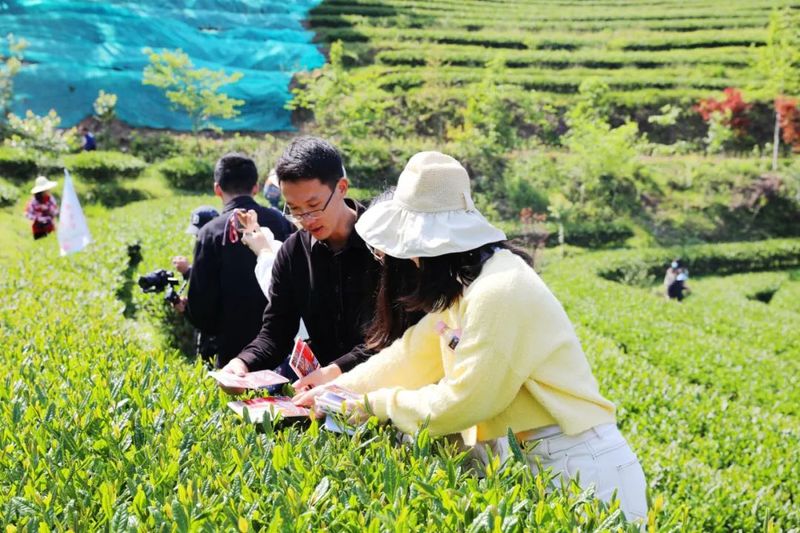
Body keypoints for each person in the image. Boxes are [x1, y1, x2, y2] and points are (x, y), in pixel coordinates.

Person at [296, 151, 648, 522]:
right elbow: (412, 356)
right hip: (532, 462)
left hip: (581, 465)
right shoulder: (467, 287)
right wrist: (336, 390)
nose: (409, 261)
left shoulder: (499, 289)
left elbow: (465, 401)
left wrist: (373, 405)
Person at [218, 136, 382, 393]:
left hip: (383, 392)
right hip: (320, 397)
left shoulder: (383, 244)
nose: (306, 219)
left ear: (341, 188)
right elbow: (276, 333)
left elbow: (393, 336)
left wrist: (333, 372)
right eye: (294, 209)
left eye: (314, 206)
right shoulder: (294, 252)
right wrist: (243, 363)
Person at [176, 153, 295, 369]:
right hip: (282, 344)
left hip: (233, 351)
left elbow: (202, 304)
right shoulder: (280, 221)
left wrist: (193, 314)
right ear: (256, 187)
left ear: (217, 189)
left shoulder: (210, 231)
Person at [170, 205, 220, 363]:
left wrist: (189, 271)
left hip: (219, 330)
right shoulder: (206, 247)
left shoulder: (222, 249)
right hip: (207, 328)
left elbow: (215, 280)